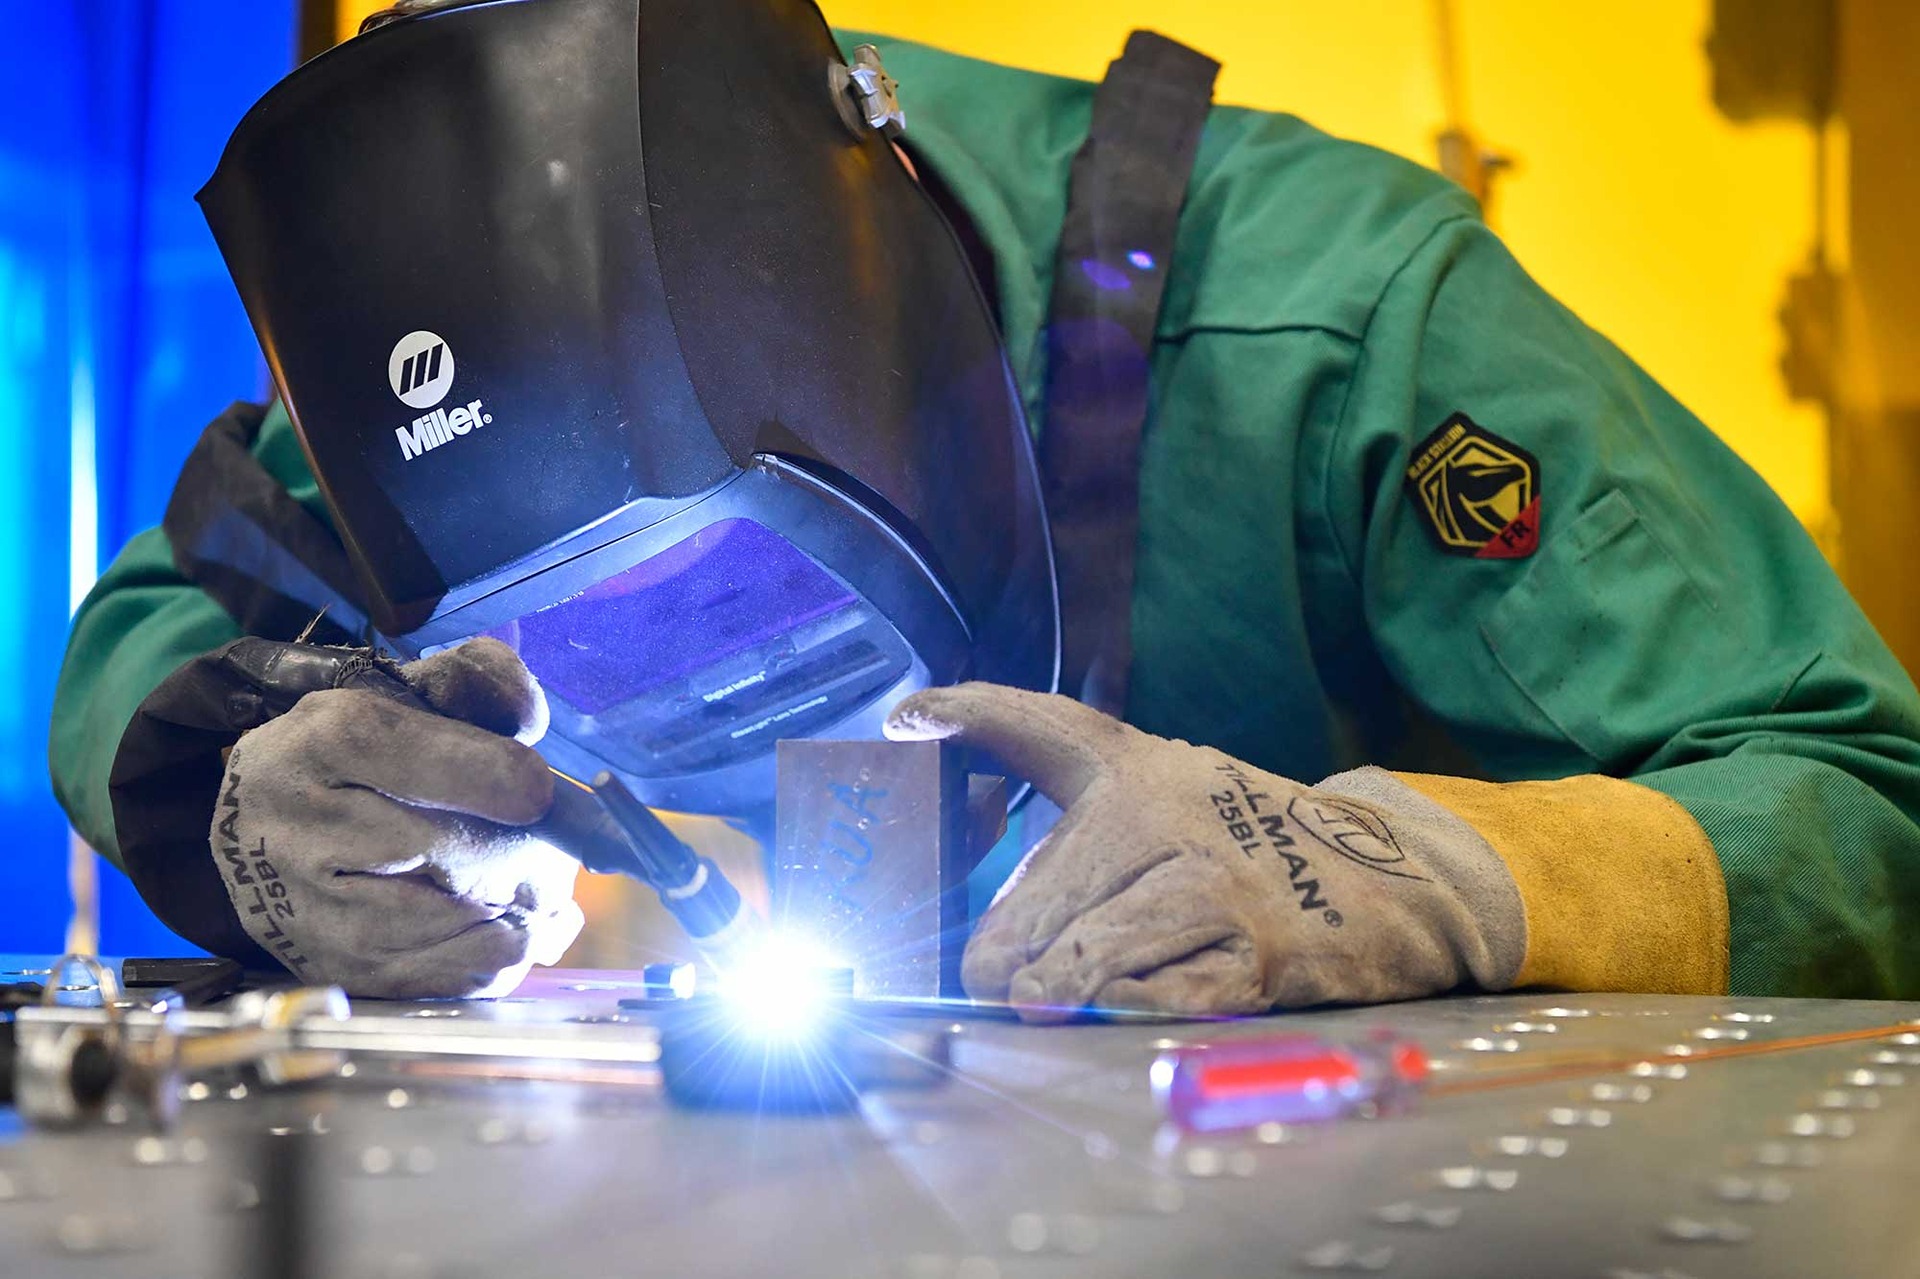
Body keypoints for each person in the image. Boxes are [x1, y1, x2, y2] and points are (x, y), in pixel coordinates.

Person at [49, 0, 1920, 1014]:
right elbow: (163, 617)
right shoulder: (436, 419)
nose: (727, 693)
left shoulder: (1330, 320)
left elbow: (1860, 792)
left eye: (742, 584)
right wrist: (233, 800)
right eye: (589, 625)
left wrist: (1451, 877)